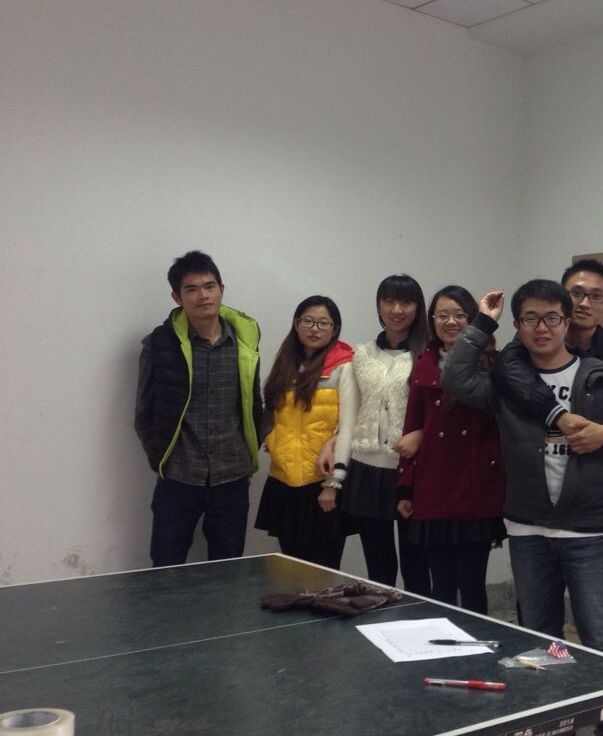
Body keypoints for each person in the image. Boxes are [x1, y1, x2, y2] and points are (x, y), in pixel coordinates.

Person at [442, 281, 603, 736]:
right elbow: (455, 376)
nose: (542, 328)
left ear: (566, 322)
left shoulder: (598, 375)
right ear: (517, 325)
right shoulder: (509, 383)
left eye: (552, 317)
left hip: (589, 528)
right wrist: (481, 322)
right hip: (527, 526)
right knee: (541, 635)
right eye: (530, 319)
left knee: (602, 637)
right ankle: (554, 723)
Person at [135, 250, 264, 567]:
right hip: (179, 476)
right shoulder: (160, 343)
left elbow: (252, 401)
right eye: (191, 289)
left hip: (232, 477)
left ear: (221, 289)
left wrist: (252, 447)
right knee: (166, 567)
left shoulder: (244, 341)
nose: (202, 295)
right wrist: (159, 457)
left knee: (227, 568)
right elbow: (144, 411)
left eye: (209, 286)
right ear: (177, 297)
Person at [393, 285, 506, 613]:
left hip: (477, 485)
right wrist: (406, 487)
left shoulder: (493, 362)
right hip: (433, 487)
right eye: (442, 315)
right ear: (431, 320)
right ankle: (442, 643)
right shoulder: (424, 362)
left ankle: (477, 642)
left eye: (459, 315)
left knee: (472, 584)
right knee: (440, 585)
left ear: (473, 319)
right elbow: (412, 424)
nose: (451, 322)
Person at [327, 275, 431, 593]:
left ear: (418, 307)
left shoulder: (428, 354)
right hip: (367, 471)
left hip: (412, 470)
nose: (397, 310)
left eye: (406, 302)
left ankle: (418, 620)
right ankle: (380, 616)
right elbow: (350, 417)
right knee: (379, 563)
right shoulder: (361, 355)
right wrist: (336, 466)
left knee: (416, 563)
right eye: (389, 301)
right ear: (379, 305)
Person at [489, 259, 603, 453]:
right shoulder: (532, 342)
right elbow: (504, 368)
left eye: (596, 296)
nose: (584, 303)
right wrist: (557, 414)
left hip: (593, 462)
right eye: (576, 294)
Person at [255, 296, 354, 569]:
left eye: (323, 323)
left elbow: (351, 425)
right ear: (296, 324)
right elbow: (270, 413)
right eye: (308, 321)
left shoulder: (344, 367)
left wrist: (332, 484)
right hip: (283, 481)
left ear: (335, 329)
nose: (314, 328)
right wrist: (272, 441)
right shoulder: (285, 364)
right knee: (290, 571)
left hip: (322, 484)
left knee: (323, 572)